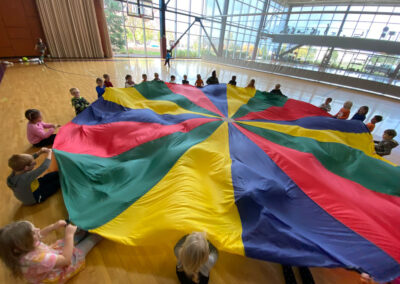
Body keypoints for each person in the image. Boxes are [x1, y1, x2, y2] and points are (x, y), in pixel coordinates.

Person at [0, 220, 101, 283]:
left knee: (77, 233)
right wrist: (69, 235)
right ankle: (99, 234)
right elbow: (66, 260)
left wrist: (53, 227)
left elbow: (40, 234)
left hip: (53, 257)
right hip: (62, 266)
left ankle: (85, 229)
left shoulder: (20, 249)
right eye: (33, 232)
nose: (37, 230)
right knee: (90, 240)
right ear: (22, 245)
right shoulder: (37, 259)